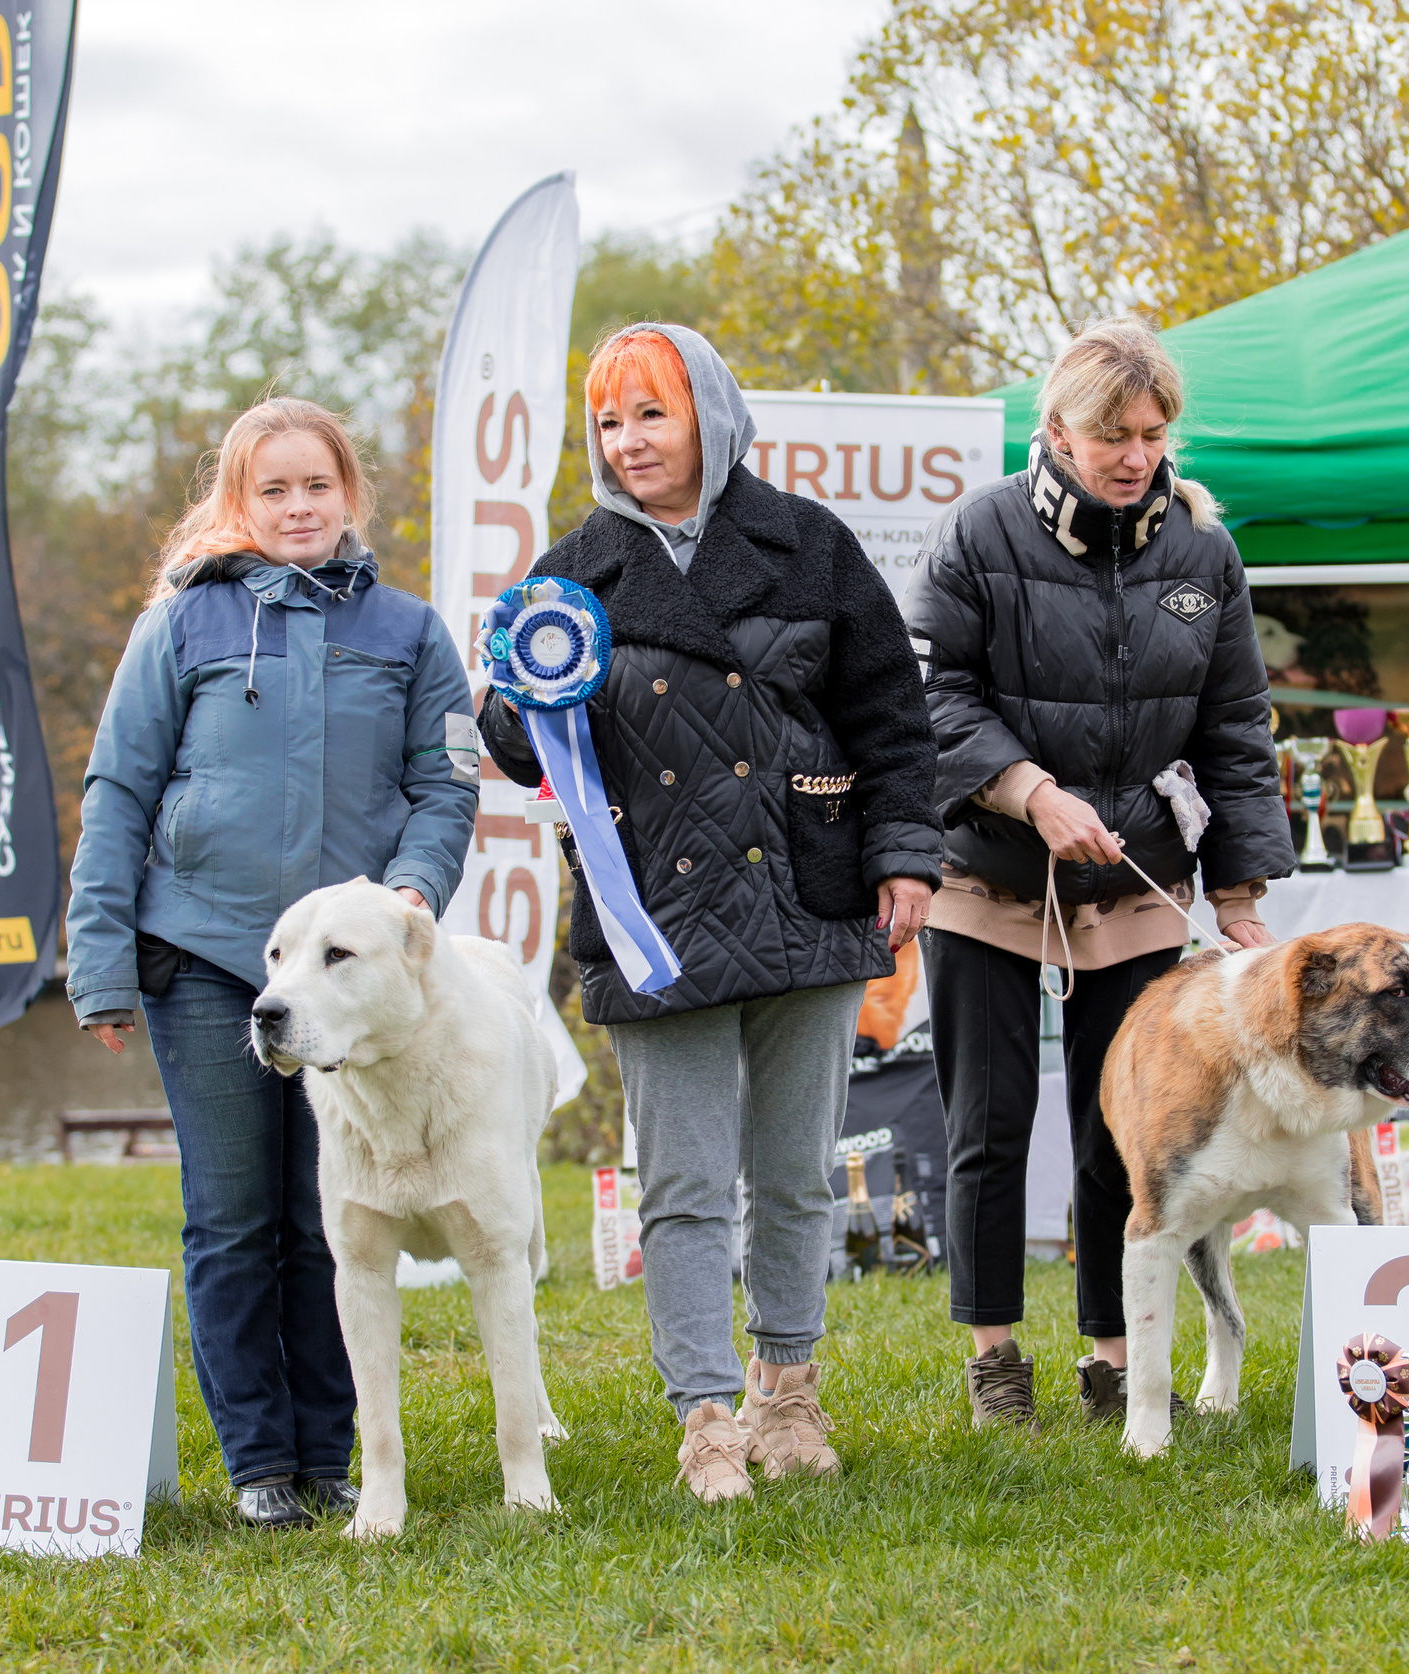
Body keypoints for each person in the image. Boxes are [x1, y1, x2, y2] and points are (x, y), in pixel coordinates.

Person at [477, 324, 939, 1505]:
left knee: (793, 1173)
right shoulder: (570, 573)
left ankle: (788, 1391)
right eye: (609, 421)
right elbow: (524, 747)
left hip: (807, 895)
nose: (629, 442)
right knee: (680, 1185)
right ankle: (706, 1416)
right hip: (654, 914)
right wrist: (512, 704)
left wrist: (905, 853)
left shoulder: (810, 544)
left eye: (653, 414)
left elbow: (891, 714)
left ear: (712, 417)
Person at [66, 398, 478, 1527]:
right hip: (206, 959)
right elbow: (117, 793)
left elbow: (445, 788)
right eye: (274, 489)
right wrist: (100, 962)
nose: (299, 507)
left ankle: (330, 1456)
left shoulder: (410, 632)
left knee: (327, 1216)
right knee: (235, 1217)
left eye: (318, 486)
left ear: (350, 494)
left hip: (348, 980)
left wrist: (411, 893)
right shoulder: (178, 626)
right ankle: (258, 1465)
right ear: (237, 502)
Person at [908, 318, 1293, 1430]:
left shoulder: (1205, 552)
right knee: (989, 1125)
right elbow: (933, 693)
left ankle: (1113, 1357)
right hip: (984, 877)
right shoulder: (977, 531)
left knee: (1122, 1128)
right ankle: (993, 1357)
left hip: (1137, 885)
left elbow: (1235, 726)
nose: (1134, 456)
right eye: (1111, 435)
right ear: (1057, 431)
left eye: (1152, 434)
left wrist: (1238, 894)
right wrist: (1026, 789)